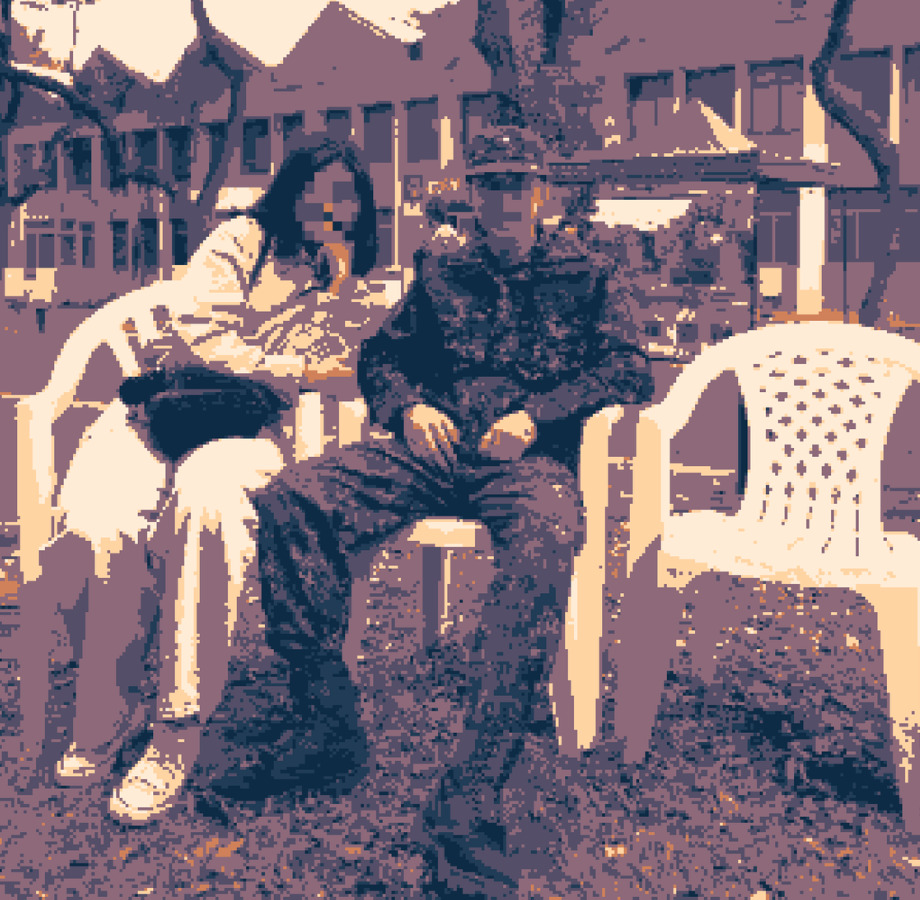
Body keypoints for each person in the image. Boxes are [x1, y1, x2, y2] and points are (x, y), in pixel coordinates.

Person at [232, 126, 655, 895]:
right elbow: (382, 355)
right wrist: (408, 407)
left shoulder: (589, 272)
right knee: (294, 497)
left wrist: (537, 417)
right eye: (490, 184)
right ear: (472, 193)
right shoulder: (442, 269)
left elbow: (628, 367)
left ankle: (472, 795)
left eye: (517, 183)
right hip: (432, 452)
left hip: (528, 464)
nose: (504, 198)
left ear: (541, 192)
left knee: (547, 542)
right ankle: (325, 721)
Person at [13, 137, 387, 825]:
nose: (328, 206)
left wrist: (333, 294)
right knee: (99, 527)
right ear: (290, 189)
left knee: (207, 510)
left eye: (345, 195)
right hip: (163, 411)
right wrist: (292, 369)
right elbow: (200, 340)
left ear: (363, 208)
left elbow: (353, 370)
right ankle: (108, 712)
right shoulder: (241, 242)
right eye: (316, 188)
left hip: (254, 433)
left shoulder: (355, 285)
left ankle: (174, 735)